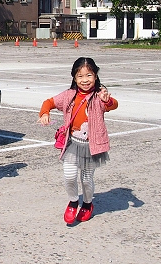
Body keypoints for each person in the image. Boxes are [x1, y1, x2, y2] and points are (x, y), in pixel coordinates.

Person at [38, 57, 118, 224]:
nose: (85, 80)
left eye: (89, 75)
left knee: (87, 179)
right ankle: (73, 201)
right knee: (69, 176)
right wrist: (44, 113)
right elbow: (49, 102)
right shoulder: (69, 95)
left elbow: (113, 105)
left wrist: (107, 100)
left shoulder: (99, 96)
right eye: (80, 76)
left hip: (92, 146)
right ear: (74, 78)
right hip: (73, 144)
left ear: (95, 76)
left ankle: (88, 204)